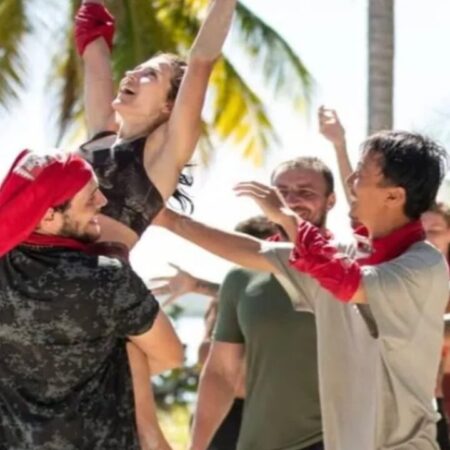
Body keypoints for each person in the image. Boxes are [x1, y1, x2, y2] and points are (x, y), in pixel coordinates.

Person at [154, 130, 449, 449]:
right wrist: (166, 218)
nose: (350, 181)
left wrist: (285, 217)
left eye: (361, 174)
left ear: (393, 196)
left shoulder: (424, 266)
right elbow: (257, 251)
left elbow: (349, 282)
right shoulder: (346, 255)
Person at [74, 1, 237, 446]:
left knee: (145, 426)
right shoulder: (100, 137)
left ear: (170, 105)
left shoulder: (164, 150)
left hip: (104, 290)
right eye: (135, 69)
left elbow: (201, 60)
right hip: (51, 274)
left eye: (150, 75)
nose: (131, 74)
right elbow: (95, 57)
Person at [0, 150, 182, 449]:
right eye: (90, 198)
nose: (103, 201)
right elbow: (170, 354)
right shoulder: (105, 277)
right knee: (131, 347)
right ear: (48, 215)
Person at [321, 106, 450, 449]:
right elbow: (365, 203)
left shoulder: (426, 264)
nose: (426, 234)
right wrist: (339, 145)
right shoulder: (390, 255)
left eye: (436, 230)